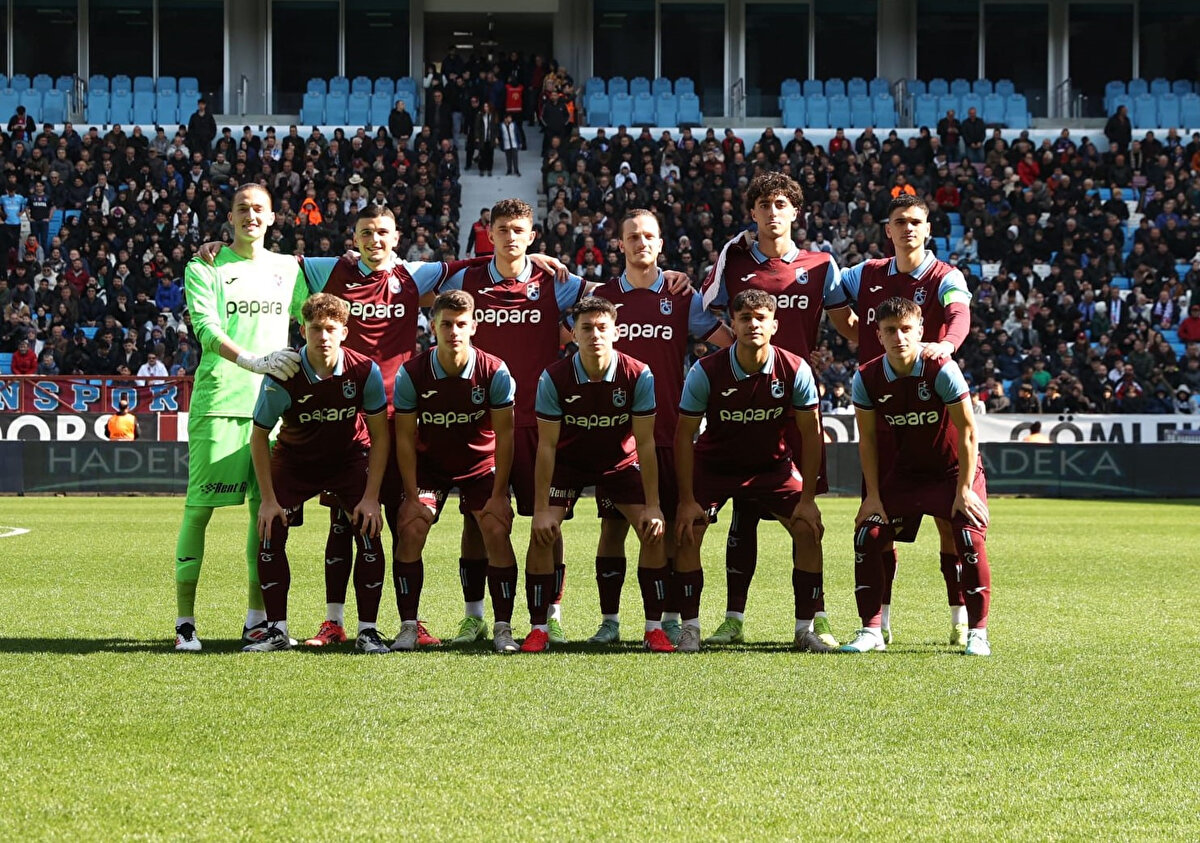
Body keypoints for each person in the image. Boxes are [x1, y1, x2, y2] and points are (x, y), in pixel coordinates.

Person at [698, 172, 853, 647]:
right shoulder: (735, 256)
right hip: (740, 400)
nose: (772, 211)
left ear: (795, 212)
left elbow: (846, 323)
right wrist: (737, 352)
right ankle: (733, 619)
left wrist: (902, 346)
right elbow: (702, 314)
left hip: (796, 403)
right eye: (763, 204)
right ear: (752, 212)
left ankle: (815, 619)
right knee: (742, 512)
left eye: (781, 203)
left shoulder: (822, 264)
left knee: (805, 518)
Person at [826, 193, 974, 646]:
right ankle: (879, 625)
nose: (907, 228)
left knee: (951, 523)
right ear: (886, 230)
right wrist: (858, 336)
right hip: (883, 413)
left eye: (915, 221)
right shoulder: (865, 274)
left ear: (927, 228)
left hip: (931, 417)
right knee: (879, 521)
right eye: (898, 221)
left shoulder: (944, 275)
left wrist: (946, 345)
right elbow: (831, 297)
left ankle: (959, 619)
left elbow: (958, 313)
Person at [585, 209, 729, 645]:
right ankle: (609, 622)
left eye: (649, 236)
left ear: (661, 244)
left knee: (667, 527)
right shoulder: (606, 297)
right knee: (612, 528)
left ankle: (667, 617)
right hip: (616, 437)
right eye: (633, 236)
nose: (641, 242)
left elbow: (727, 343)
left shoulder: (682, 296)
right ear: (621, 244)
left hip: (671, 433)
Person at [173, 183, 307, 653]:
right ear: (229, 217)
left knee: (265, 516)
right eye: (242, 209)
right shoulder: (205, 264)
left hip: (272, 408)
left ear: (272, 218)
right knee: (200, 509)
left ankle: (257, 621)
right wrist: (252, 361)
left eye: (259, 210)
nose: (251, 216)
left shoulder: (289, 268)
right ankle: (185, 623)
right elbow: (206, 330)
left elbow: (313, 314)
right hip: (221, 401)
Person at [673, 289, 828, 653]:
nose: (752, 324)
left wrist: (808, 499)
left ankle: (805, 629)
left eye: (760, 318)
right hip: (714, 465)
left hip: (771, 466)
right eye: (744, 318)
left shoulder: (794, 368)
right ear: (734, 324)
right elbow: (683, 437)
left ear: (774, 325)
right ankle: (690, 629)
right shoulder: (706, 370)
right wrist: (685, 500)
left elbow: (811, 433)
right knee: (687, 529)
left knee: (808, 528)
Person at [842, 297, 993, 656]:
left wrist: (965, 491)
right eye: (890, 330)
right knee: (869, 533)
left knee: (968, 537)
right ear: (878, 335)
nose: (899, 337)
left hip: (953, 473)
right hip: (907, 474)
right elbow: (868, 441)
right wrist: (873, 497)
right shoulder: (866, 377)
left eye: (906, 329)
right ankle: (872, 631)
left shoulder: (941, 368)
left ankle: (978, 633)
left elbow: (968, 432)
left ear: (920, 331)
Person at [243, 293, 391, 654]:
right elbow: (259, 437)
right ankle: (276, 630)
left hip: (348, 460)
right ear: (302, 329)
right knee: (270, 528)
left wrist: (372, 497)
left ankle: (368, 632)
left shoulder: (363, 371)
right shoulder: (284, 376)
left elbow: (381, 435)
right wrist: (267, 499)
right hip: (295, 461)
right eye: (314, 329)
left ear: (343, 331)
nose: (322, 336)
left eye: (329, 329)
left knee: (370, 531)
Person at [523, 296, 668, 653]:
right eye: (586, 328)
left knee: (652, 533)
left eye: (602, 328)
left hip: (619, 463)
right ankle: (540, 627)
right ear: (573, 334)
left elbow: (646, 443)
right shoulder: (554, 377)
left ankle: (652, 629)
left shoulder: (638, 373)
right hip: (567, 464)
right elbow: (545, 447)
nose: (595, 335)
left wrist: (654, 505)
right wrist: (541, 509)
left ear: (616, 332)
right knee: (542, 533)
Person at [392, 290, 520, 653]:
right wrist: (412, 495)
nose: (454, 331)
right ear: (433, 327)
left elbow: (505, 435)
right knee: (412, 528)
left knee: (494, 528)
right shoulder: (413, 373)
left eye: (461, 324)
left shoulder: (494, 370)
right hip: (430, 466)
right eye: (446, 324)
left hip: (479, 465)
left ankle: (501, 626)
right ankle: (407, 626)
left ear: (474, 326)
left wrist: (500, 494)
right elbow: (403, 438)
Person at [474, 102, 499, 177]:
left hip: (490, 138)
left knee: (490, 155)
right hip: (482, 138)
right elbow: (477, 127)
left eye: (487, 106)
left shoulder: (494, 115)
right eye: (484, 106)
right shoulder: (480, 115)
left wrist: (496, 137)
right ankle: (481, 169)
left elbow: (496, 128)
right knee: (482, 154)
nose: (485, 108)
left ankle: (489, 169)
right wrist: (477, 137)